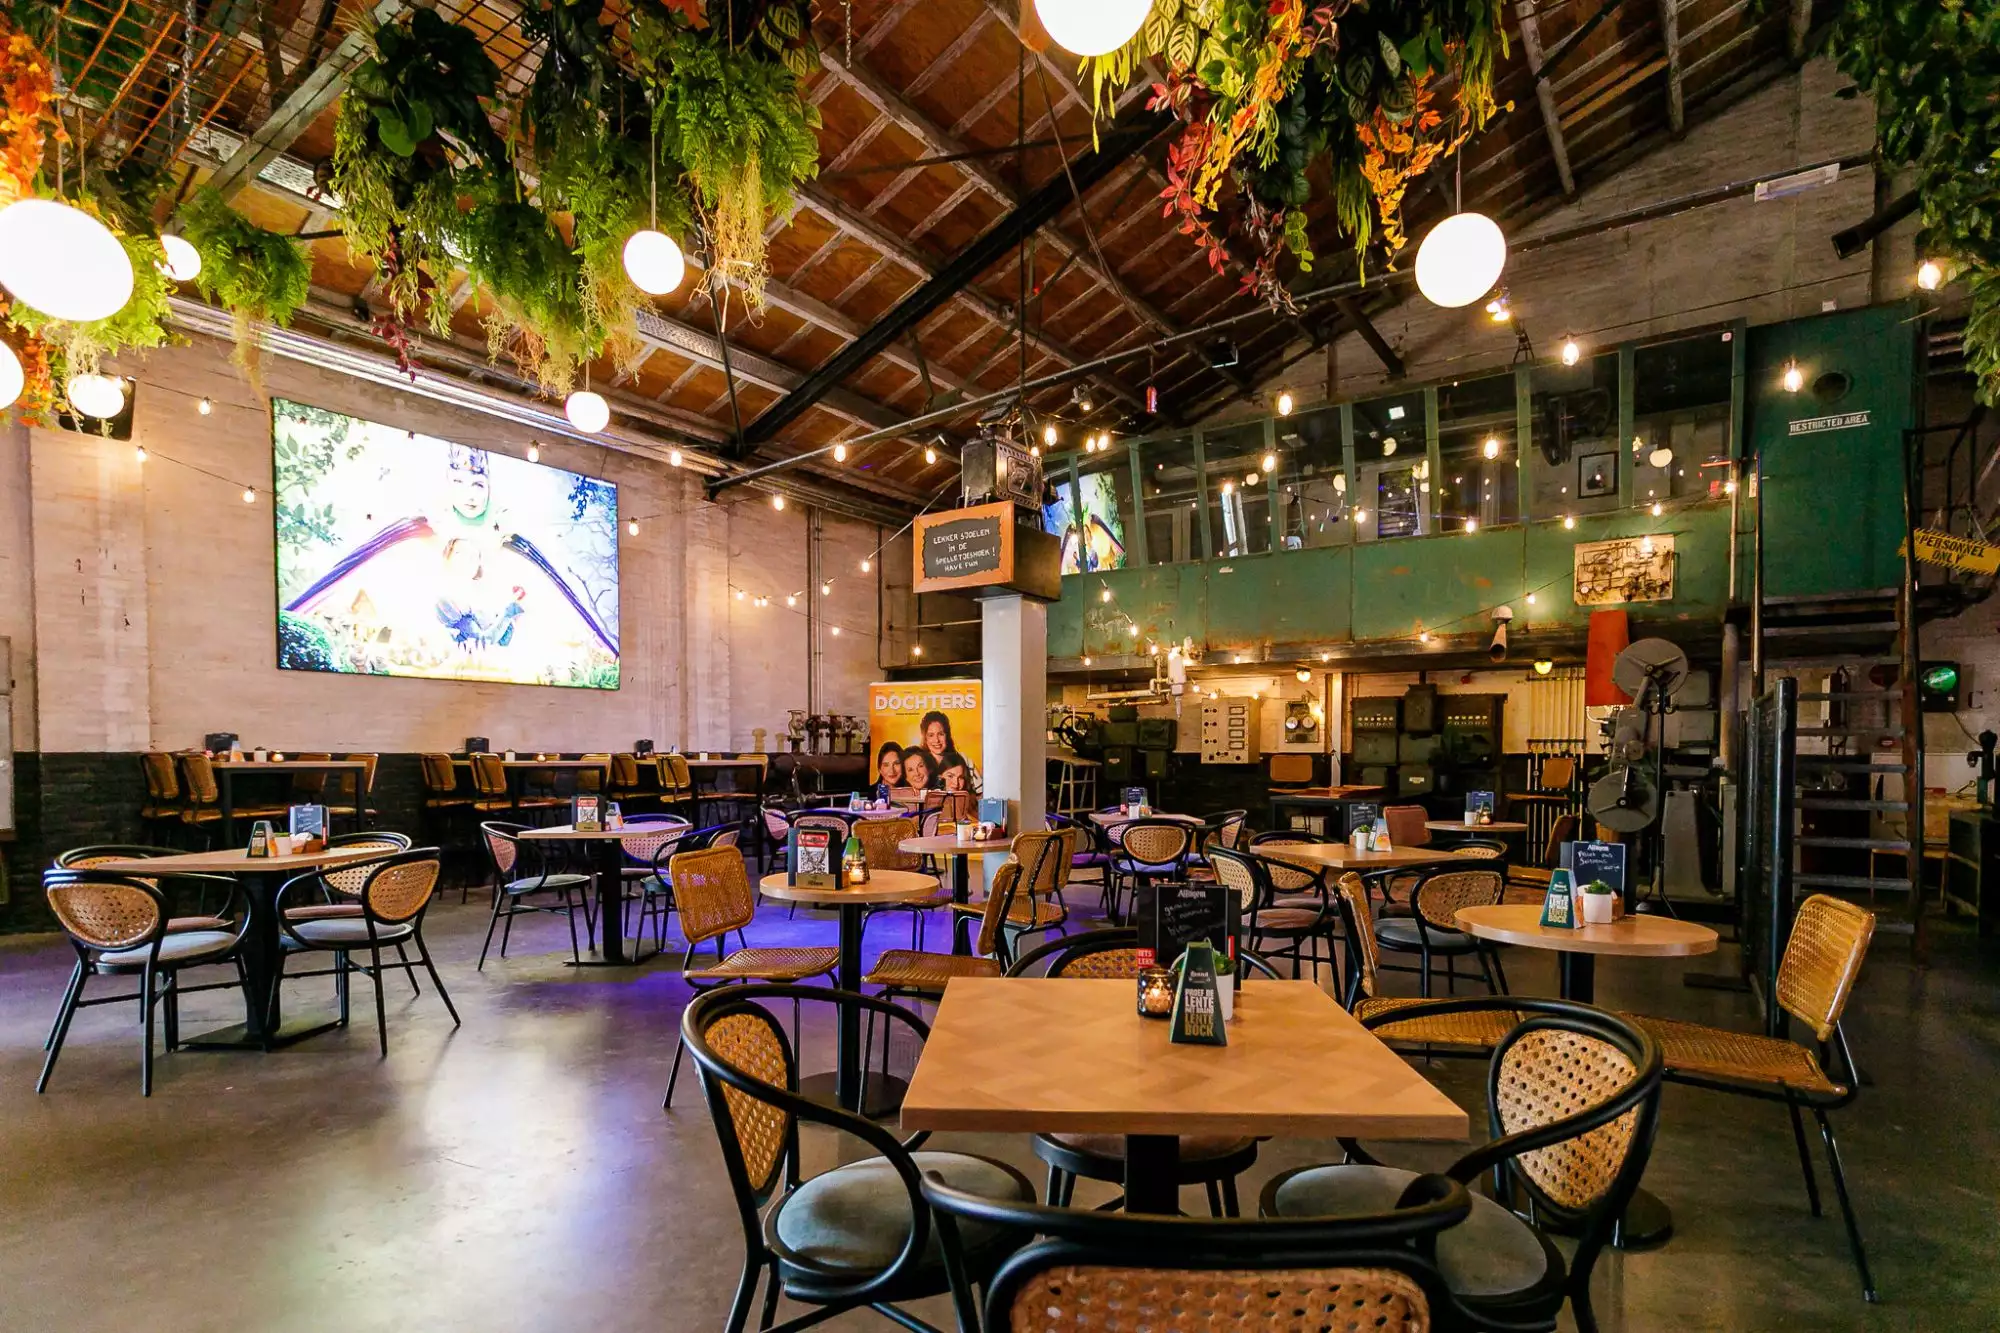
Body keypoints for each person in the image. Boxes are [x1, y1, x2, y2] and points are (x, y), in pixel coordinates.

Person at [918, 711, 982, 794]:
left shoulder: (964, 759)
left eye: (941, 734)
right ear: (925, 738)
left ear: (947, 735)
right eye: (931, 735)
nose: (936, 740)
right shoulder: (918, 762)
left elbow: (981, 793)